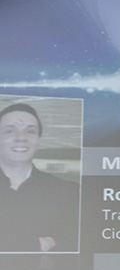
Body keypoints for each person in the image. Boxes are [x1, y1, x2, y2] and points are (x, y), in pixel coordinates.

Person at [0, 102, 79, 252]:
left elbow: (72, 247)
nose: (21, 138)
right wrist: (36, 244)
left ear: (39, 140)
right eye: (10, 131)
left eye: (30, 131)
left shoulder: (68, 193)